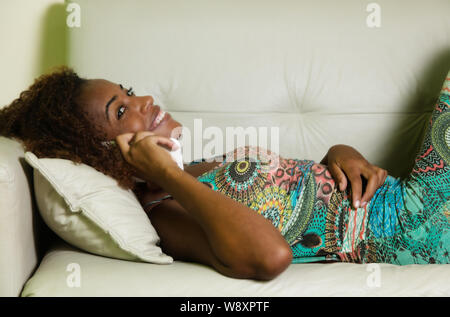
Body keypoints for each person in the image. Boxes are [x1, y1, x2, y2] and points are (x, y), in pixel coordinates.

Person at [0, 66, 448, 281]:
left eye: (130, 93)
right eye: (122, 111)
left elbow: (305, 185)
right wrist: (168, 177)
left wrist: (341, 152)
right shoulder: (164, 210)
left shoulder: (196, 172)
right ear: (102, 152)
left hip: (406, 195)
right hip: (415, 223)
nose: (145, 101)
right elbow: (271, 256)